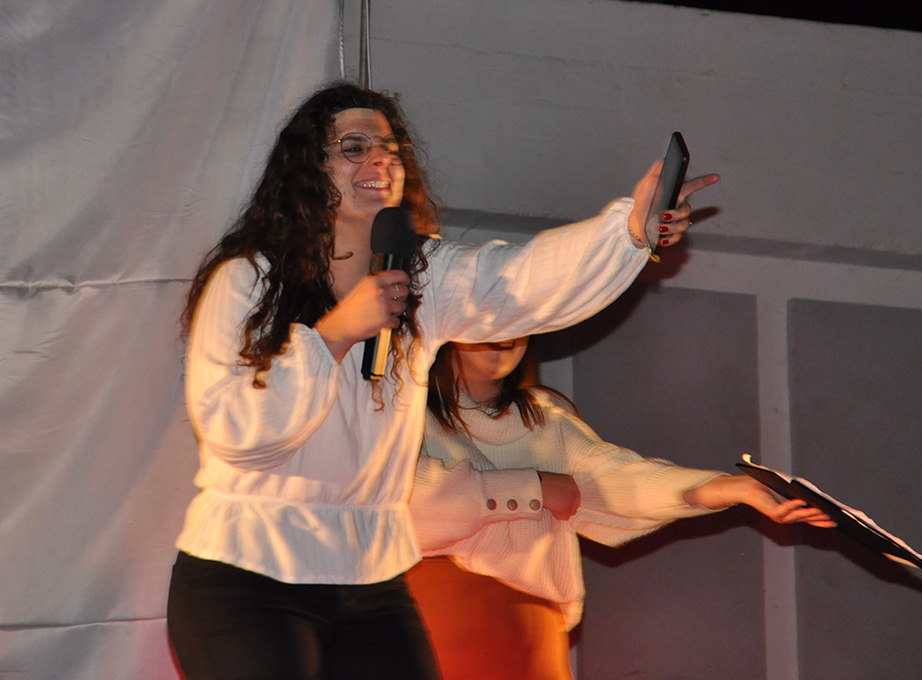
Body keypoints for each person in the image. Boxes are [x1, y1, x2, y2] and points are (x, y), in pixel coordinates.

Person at [165, 80, 720, 680]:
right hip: (250, 573)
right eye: (354, 147)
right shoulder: (248, 281)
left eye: (391, 148)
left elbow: (522, 280)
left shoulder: (419, 275)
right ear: (306, 168)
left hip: (371, 575)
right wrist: (335, 334)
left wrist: (628, 231)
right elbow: (237, 433)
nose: (380, 160)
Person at [406, 338, 835, 680]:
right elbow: (404, 499)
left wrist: (726, 488)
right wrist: (532, 487)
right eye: (487, 316)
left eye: (517, 318)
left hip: (528, 632)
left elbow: (613, 479)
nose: (503, 334)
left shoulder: (545, 419)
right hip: (429, 619)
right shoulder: (399, 411)